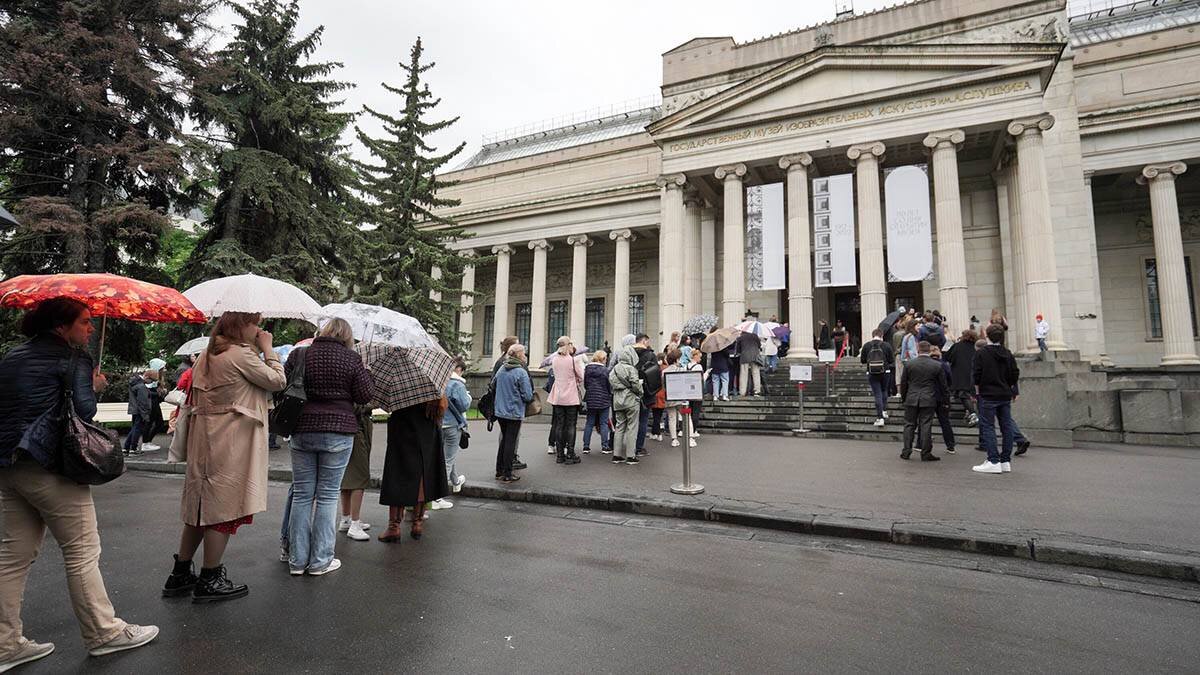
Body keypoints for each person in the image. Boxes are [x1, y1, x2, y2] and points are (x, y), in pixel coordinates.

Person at [0, 298, 159, 669]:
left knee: (12, 557)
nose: (89, 329)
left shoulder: (12, 357)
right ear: (61, 327)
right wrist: (95, 385)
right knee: (82, 549)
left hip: (8, 465)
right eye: (84, 323)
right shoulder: (73, 359)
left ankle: (5, 644)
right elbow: (84, 411)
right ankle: (104, 633)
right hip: (50, 465)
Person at [162, 312, 285, 602]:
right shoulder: (240, 354)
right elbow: (277, 380)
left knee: (199, 507)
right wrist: (268, 349)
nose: (259, 329)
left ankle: (180, 572)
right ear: (240, 326)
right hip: (231, 438)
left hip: (205, 436)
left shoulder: (208, 352)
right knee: (223, 508)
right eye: (255, 323)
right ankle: (210, 577)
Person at [283, 319, 372, 575]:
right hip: (338, 431)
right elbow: (365, 396)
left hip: (302, 428)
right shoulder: (351, 358)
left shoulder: (300, 354)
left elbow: (283, 385)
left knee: (302, 495)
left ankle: (297, 561)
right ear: (347, 336)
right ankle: (321, 560)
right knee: (327, 496)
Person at [377, 394, 450, 542]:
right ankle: (417, 523)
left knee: (397, 476)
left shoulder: (403, 382)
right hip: (427, 433)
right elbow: (441, 409)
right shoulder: (432, 388)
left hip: (402, 432)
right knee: (423, 477)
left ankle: (394, 527)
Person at [973, 324, 1021, 474]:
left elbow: (976, 375)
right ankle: (1005, 460)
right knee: (1006, 426)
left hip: (988, 394)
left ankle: (993, 460)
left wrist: (977, 391)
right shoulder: (1008, 353)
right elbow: (1015, 373)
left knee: (988, 427)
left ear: (987, 336)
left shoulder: (982, 353)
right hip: (1004, 394)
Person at [491, 343, 533, 483]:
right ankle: (508, 473)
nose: (525, 355)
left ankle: (499, 470)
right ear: (519, 355)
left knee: (504, 441)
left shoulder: (502, 368)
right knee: (510, 442)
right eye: (523, 353)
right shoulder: (521, 372)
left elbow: (493, 385)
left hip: (500, 411)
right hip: (514, 411)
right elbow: (527, 395)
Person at [434, 357, 471, 510]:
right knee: (447, 459)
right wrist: (468, 397)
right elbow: (463, 406)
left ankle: (456, 482)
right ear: (458, 369)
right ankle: (437, 497)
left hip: (439, 423)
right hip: (452, 425)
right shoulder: (457, 384)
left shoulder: (438, 380)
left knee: (447, 455)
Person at [899, 340, 945, 462]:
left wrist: (904, 398)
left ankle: (906, 451)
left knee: (909, 425)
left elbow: (903, 383)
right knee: (926, 425)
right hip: (928, 398)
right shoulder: (936, 365)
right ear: (929, 350)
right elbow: (943, 385)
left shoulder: (909, 364)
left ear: (918, 349)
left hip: (912, 397)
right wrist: (945, 401)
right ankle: (925, 453)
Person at [338, 403, 376, 540]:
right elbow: (356, 406)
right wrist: (372, 404)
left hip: (349, 427)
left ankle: (346, 518)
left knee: (348, 475)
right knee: (360, 476)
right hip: (356, 428)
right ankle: (354, 523)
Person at [547, 336, 585, 464]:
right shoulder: (573, 360)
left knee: (559, 425)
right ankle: (570, 453)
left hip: (558, 396)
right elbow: (581, 376)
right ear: (568, 345)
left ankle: (559, 454)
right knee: (571, 425)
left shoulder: (554, 359)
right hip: (570, 397)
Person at [608, 345, 644, 464]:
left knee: (619, 427)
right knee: (632, 428)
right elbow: (635, 383)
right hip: (631, 400)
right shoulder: (631, 368)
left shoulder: (614, 369)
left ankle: (617, 455)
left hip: (618, 400)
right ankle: (630, 456)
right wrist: (640, 391)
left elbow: (611, 382)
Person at [632, 334, 660, 456]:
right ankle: (639, 447)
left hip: (631, 390)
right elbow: (656, 375)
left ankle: (629, 446)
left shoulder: (629, 354)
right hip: (647, 391)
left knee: (631, 421)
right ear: (644, 341)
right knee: (643, 420)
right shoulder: (650, 355)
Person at [860, 329, 894, 427]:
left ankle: (880, 418)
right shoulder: (886, 345)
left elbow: (862, 360)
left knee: (877, 394)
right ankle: (884, 411)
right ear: (881, 335)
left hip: (872, 372)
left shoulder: (867, 345)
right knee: (884, 391)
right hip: (886, 372)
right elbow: (891, 360)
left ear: (872, 335)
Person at [946, 330, 979, 426]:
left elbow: (948, 357)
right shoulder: (976, 347)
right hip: (973, 374)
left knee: (963, 394)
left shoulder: (958, 346)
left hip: (960, 374)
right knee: (967, 393)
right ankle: (969, 412)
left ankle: (972, 413)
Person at [581, 351, 612, 455]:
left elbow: (585, 384)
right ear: (602, 358)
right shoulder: (605, 370)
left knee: (589, 423)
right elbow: (608, 385)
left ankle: (586, 446)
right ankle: (605, 446)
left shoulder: (587, 369)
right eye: (605, 358)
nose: (606, 359)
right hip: (603, 399)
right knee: (603, 423)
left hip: (591, 398)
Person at [929, 346, 956, 454]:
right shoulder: (944, 365)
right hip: (942, 396)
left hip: (929, 396)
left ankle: (920, 444)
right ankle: (950, 445)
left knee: (925, 421)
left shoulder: (927, 364)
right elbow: (950, 380)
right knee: (945, 422)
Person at [123, 370, 153, 456]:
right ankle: (133, 448)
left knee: (134, 429)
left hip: (134, 409)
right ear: (147, 377)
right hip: (140, 411)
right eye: (152, 380)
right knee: (137, 430)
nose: (151, 382)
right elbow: (143, 402)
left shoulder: (135, 383)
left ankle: (126, 448)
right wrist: (145, 415)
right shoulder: (141, 387)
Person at [737, 330, 763, 397]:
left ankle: (742, 392)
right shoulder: (755, 336)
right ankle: (757, 391)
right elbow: (759, 346)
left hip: (744, 357)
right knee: (756, 373)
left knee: (743, 374)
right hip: (755, 356)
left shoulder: (740, 337)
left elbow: (738, 350)